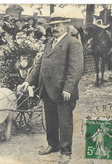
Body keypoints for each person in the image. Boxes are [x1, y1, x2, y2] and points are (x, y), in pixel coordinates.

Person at [19, 12, 83, 163]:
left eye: (58, 25)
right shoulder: (49, 44)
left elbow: (76, 68)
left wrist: (68, 88)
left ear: (65, 26)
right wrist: (28, 81)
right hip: (47, 90)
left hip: (63, 91)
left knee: (64, 122)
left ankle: (66, 152)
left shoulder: (72, 43)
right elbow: (39, 65)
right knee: (51, 120)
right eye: (52, 26)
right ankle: (53, 145)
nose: (55, 28)